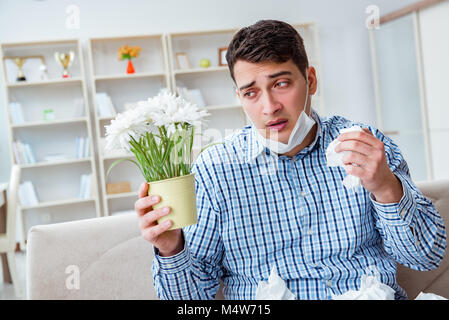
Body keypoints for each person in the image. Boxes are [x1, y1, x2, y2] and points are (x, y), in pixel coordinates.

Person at [134, 19, 446, 300]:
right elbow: (190, 301)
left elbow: (426, 257)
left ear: (310, 80)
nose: (269, 107)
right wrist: (171, 248)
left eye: (281, 84)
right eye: (251, 92)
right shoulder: (216, 169)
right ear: (239, 97)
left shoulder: (366, 146)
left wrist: (385, 188)